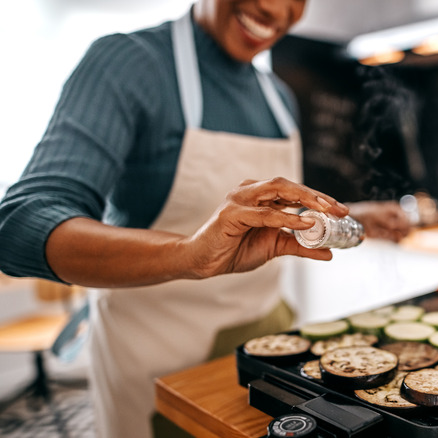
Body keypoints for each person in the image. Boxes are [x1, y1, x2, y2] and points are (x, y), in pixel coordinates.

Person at [0, 1, 411, 437]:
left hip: (266, 341)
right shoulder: (129, 64)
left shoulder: (278, 96)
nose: (274, 7)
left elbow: (266, 216)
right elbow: (21, 225)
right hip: (157, 355)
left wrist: (340, 217)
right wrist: (188, 254)